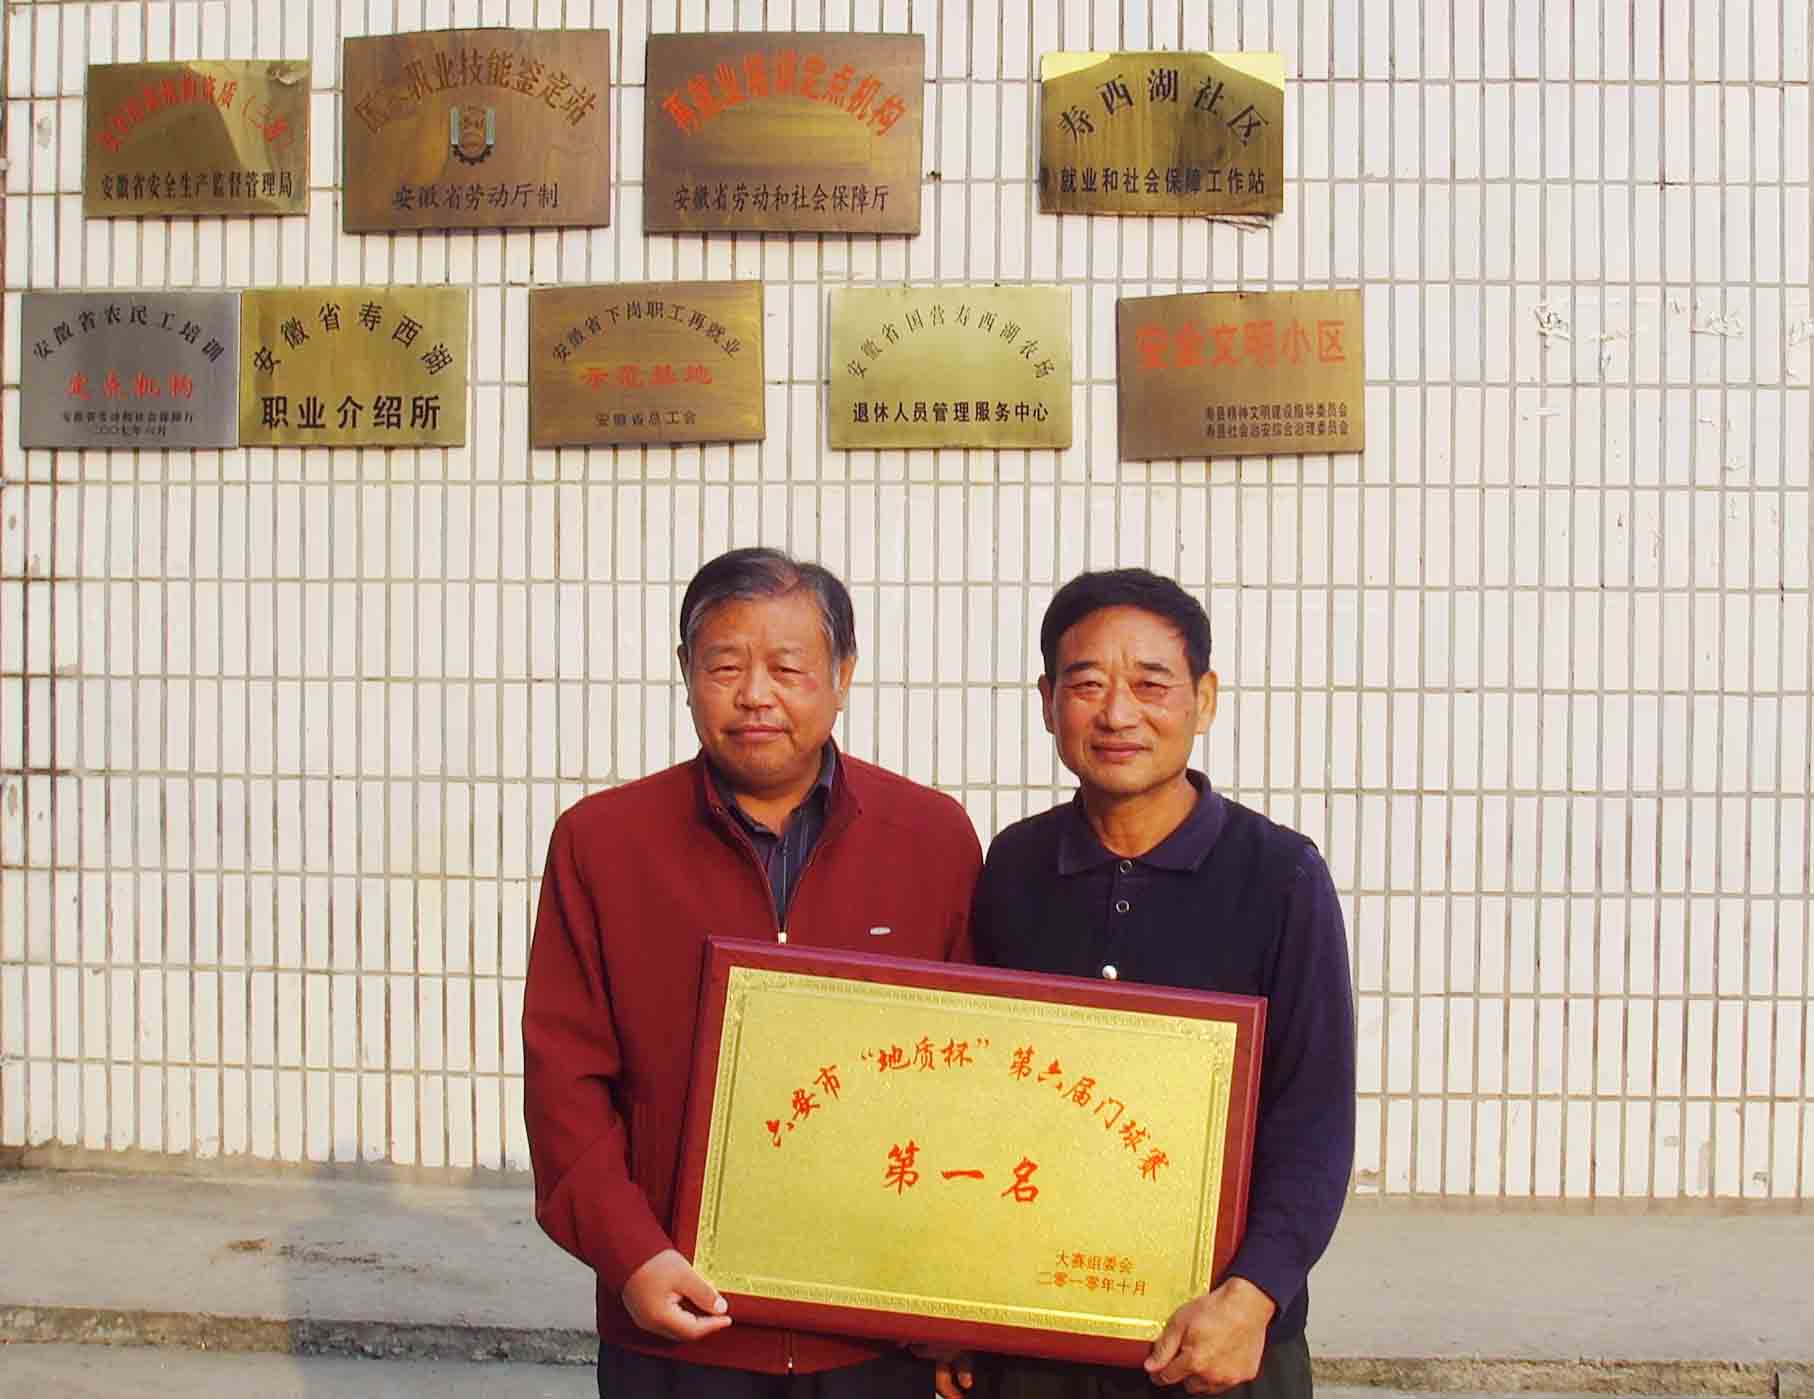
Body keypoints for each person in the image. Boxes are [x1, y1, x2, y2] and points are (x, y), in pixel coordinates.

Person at [523, 547, 983, 1398]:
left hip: (875, 1330)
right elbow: (564, 1078)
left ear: (843, 674)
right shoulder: (602, 841)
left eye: (788, 667)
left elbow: (973, 1079)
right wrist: (631, 1254)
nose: (755, 695)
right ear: (686, 673)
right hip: (676, 1322)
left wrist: (958, 1292)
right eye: (725, 666)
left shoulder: (932, 836)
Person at [957, 568, 1355, 1399]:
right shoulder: (1014, 865)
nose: (1117, 713)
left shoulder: (1280, 875)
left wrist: (1254, 1295)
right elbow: (979, 1091)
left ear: (1203, 700)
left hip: (1219, 1341)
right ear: (1047, 701)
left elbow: (1314, 1118)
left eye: (1150, 684)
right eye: (1087, 684)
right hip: (1037, 1335)